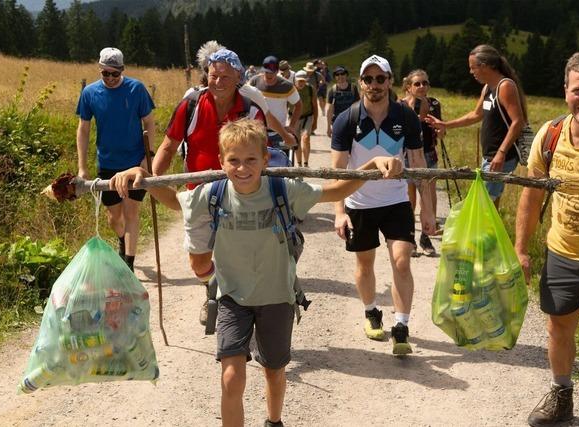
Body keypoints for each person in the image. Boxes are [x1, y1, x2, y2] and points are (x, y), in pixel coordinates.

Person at [110, 118, 402, 427]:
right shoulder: (214, 194)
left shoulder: (282, 190)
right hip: (231, 298)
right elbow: (173, 201)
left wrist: (372, 163)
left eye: (251, 159)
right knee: (231, 377)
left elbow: (335, 190)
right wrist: (143, 176)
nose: (242, 168)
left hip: (277, 297)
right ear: (221, 162)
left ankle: (274, 421)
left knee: (274, 371)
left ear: (265, 159)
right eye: (233, 160)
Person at [515, 50, 579, 427]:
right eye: (578, 90)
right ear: (565, 90)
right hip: (563, 252)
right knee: (558, 329)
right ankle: (562, 394)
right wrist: (521, 249)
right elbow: (532, 194)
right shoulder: (551, 134)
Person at [152, 47, 268, 326]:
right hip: (199, 192)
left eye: (225, 77)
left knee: (240, 257)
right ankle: (213, 287)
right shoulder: (191, 104)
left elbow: (264, 154)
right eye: (213, 75)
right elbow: (169, 145)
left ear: (239, 77)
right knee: (200, 264)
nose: (217, 82)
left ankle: (239, 305)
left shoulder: (251, 110)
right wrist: (155, 179)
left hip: (240, 194)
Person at [331, 54, 435, 355]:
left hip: (396, 201)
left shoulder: (405, 118)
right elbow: (337, 171)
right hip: (359, 203)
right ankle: (371, 312)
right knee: (364, 264)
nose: (374, 84)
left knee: (402, 261)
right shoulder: (347, 120)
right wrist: (339, 212)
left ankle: (401, 326)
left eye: (380, 78)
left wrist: (427, 209)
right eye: (368, 79)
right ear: (360, 82)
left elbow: (418, 163)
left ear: (390, 81)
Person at [76, 47, 156, 272]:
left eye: (115, 74)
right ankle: (122, 240)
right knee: (114, 217)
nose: (110, 78)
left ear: (122, 71)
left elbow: (149, 122)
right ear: (99, 70)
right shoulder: (90, 93)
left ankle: (128, 264)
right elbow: (83, 129)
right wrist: (82, 167)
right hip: (108, 164)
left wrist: (147, 158)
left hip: (134, 164)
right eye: (106, 74)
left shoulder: (136, 89)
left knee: (131, 213)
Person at [426, 44, 528, 209]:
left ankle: (484, 234)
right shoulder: (488, 88)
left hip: (501, 156)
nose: (471, 72)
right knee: (489, 202)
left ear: (485, 66)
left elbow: (518, 122)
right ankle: (490, 233)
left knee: (483, 203)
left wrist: (501, 153)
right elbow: (476, 114)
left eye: (473, 67)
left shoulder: (505, 86)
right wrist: (446, 124)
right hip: (490, 156)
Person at [401, 69, 444, 257]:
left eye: (425, 83)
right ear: (408, 87)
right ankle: (410, 237)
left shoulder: (434, 103)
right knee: (410, 199)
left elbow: (441, 127)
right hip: (407, 155)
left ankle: (426, 236)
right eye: (417, 83)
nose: (421, 87)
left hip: (428, 155)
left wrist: (441, 130)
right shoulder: (400, 105)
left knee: (429, 198)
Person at [249, 55, 302, 156]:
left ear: (277, 71)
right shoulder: (254, 82)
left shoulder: (287, 86)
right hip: (257, 133)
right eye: (266, 72)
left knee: (281, 164)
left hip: (279, 133)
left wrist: (292, 125)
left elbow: (298, 105)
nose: (268, 76)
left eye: (271, 73)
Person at [326, 65, 360, 137]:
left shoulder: (353, 88)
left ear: (346, 75)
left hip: (351, 122)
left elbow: (358, 106)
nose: (340, 76)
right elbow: (329, 110)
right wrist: (328, 127)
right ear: (335, 77)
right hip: (337, 122)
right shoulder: (332, 90)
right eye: (337, 74)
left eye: (342, 74)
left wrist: (358, 124)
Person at [294, 70, 317, 167]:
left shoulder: (310, 89)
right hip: (294, 117)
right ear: (295, 81)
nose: (301, 83)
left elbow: (315, 105)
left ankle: (306, 163)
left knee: (306, 138)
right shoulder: (291, 90)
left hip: (308, 116)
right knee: (296, 141)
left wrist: (315, 122)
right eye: (299, 81)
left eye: (303, 81)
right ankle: (299, 164)